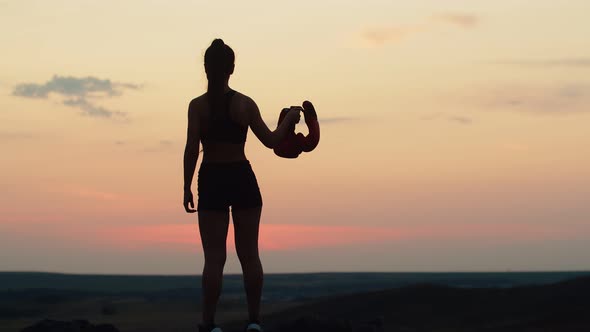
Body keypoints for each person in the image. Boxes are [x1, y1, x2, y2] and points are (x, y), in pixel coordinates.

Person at [183, 39, 307, 332]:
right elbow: (272, 141)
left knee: (214, 258)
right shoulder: (244, 103)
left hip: (211, 178)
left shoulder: (197, 106)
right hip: (241, 177)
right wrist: (289, 119)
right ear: (232, 69)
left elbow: (191, 148)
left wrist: (186, 186)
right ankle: (254, 321)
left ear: (205, 68)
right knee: (249, 254)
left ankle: (209, 324)